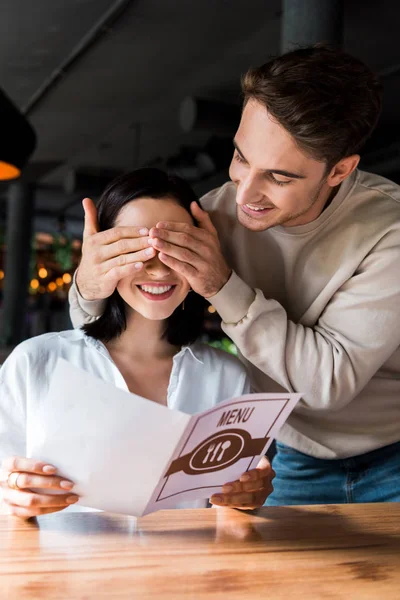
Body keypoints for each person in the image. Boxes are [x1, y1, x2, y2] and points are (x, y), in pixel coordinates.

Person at [69, 45, 400, 505]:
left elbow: (328, 384)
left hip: (392, 454)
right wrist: (90, 281)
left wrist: (223, 287)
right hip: (288, 453)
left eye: (279, 178)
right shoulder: (214, 215)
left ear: (339, 171)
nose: (244, 194)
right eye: (241, 157)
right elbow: (103, 312)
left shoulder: (390, 230)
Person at [0, 169, 275, 519]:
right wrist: (12, 497)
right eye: (135, 249)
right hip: (60, 569)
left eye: (176, 248)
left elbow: (228, 518)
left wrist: (246, 498)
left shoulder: (227, 376)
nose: (159, 270)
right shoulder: (35, 363)